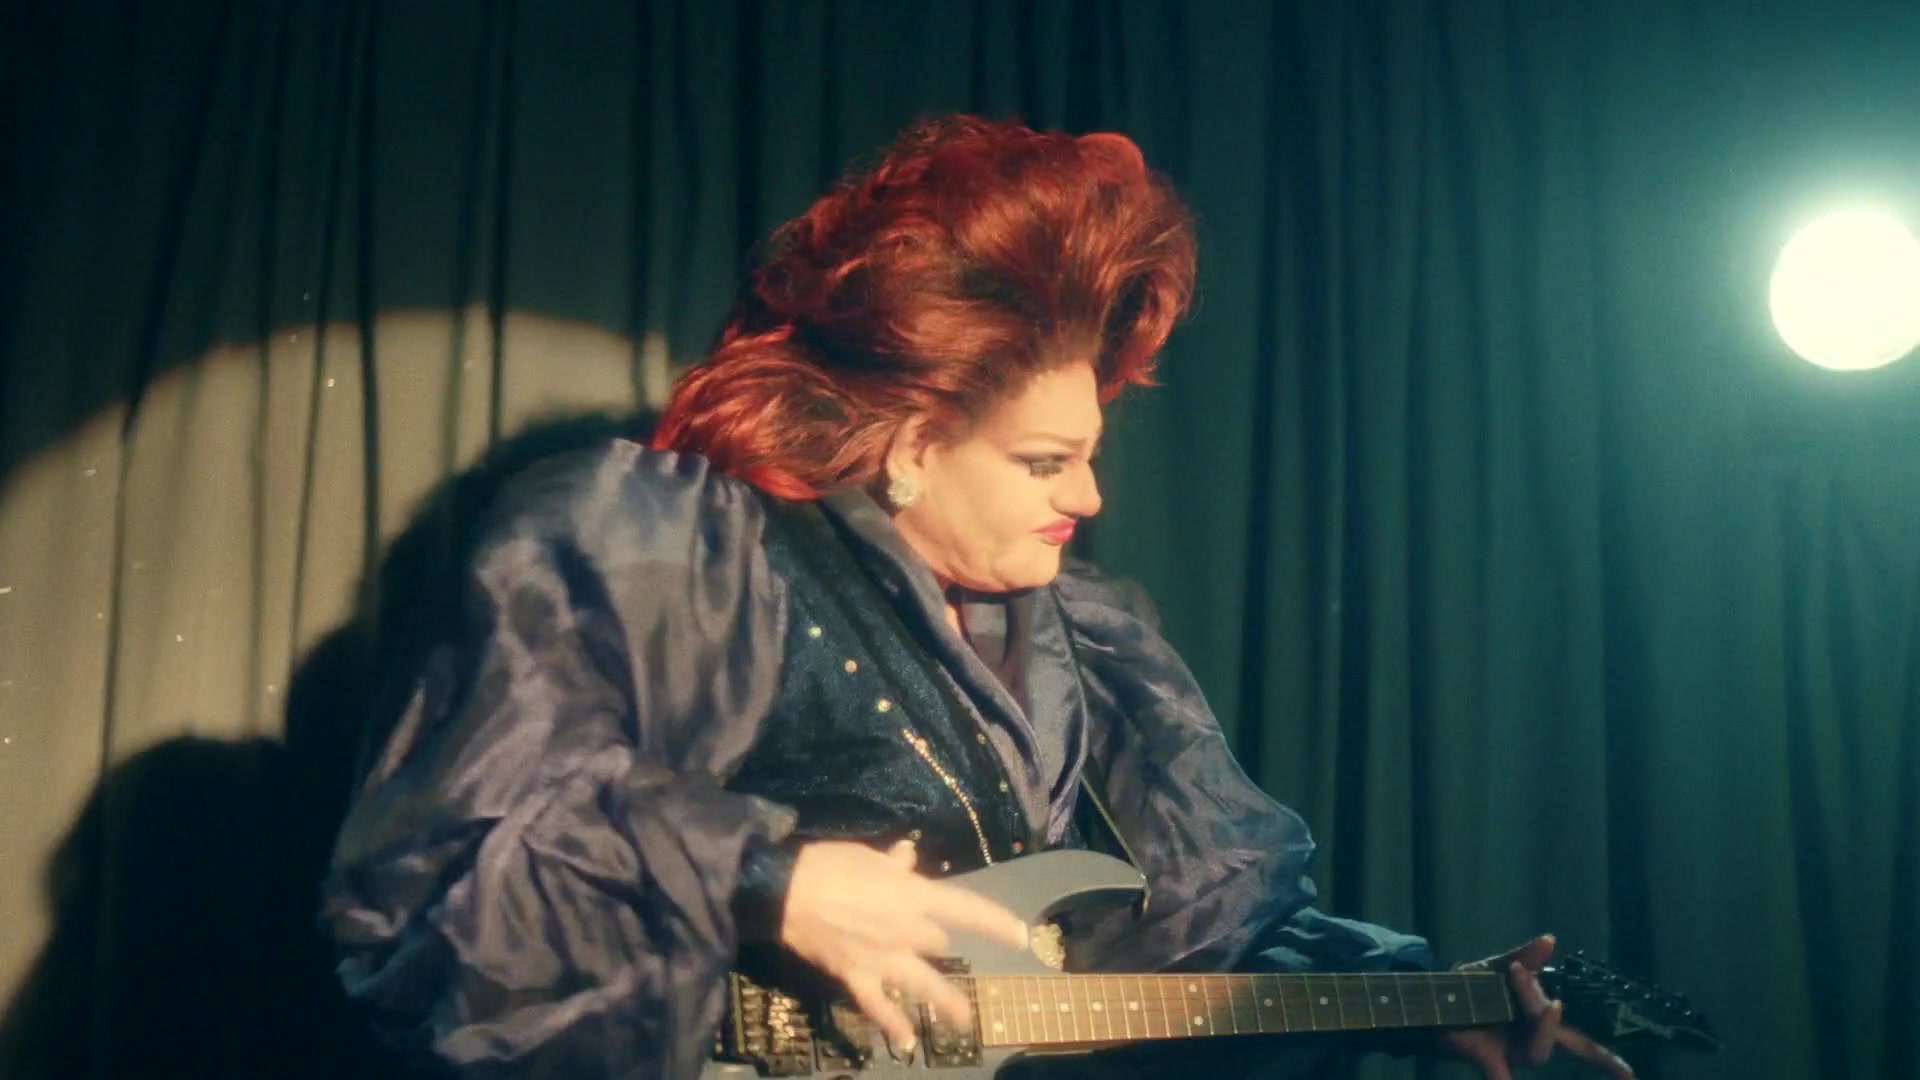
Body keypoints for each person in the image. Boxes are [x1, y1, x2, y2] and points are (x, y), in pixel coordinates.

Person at [321, 115, 1633, 1080]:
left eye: (1092, 453)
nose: (1090, 497)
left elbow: (1211, 932)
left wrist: (1424, 996)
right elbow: (443, 865)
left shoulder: (1090, 638)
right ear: (910, 442)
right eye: (1044, 462)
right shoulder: (673, 548)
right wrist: (768, 881)